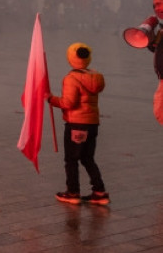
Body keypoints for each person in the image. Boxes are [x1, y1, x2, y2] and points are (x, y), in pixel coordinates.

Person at [47, 42, 109, 205]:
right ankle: (99, 191)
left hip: (76, 125)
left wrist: (50, 99)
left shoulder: (71, 78)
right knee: (88, 158)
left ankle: (73, 191)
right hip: (92, 123)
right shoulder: (95, 77)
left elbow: (68, 103)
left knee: (71, 159)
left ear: (71, 58)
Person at [138, 0, 163, 124]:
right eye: (154, 6)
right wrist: (148, 35)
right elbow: (156, 48)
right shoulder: (161, 27)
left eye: (159, 4)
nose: (156, 8)